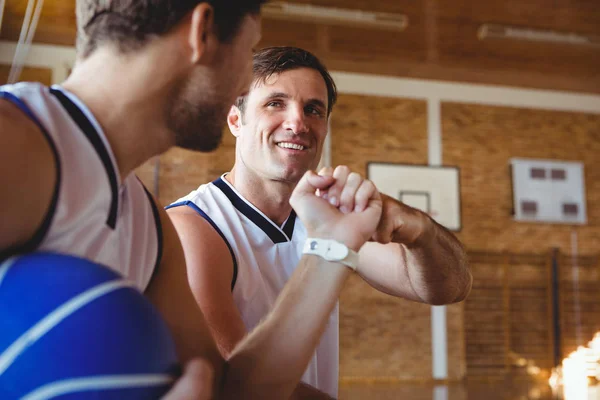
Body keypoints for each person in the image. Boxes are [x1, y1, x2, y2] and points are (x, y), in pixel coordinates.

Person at [0, 2, 385, 399]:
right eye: (247, 52)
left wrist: (329, 249)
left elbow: (233, 391)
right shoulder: (17, 146)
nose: (241, 87)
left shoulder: (148, 226)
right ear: (201, 33)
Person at [167, 46, 473, 398]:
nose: (298, 123)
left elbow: (449, 287)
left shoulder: (329, 212)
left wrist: (418, 228)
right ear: (236, 120)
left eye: (313, 110)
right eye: (275, 103)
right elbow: (233, 384)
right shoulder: (194, 225)